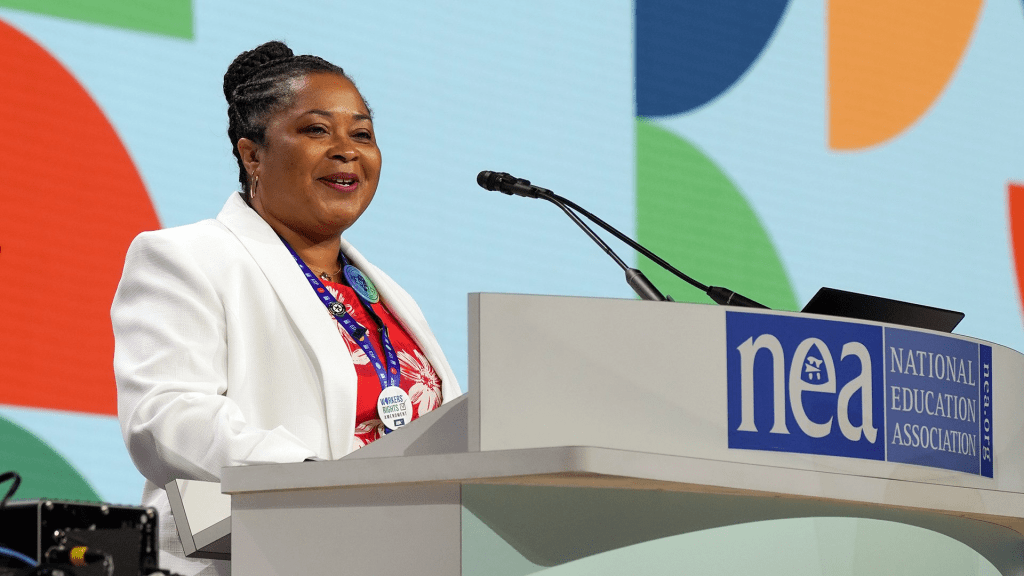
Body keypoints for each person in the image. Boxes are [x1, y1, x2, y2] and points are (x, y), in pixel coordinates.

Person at [112, 41, 461, 576]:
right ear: (252, 155)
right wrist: (312, 481)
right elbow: (166, 417)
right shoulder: (188, 258)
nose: (346, 151)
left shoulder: (386, 296)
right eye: (317, 130)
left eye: (362, 134)